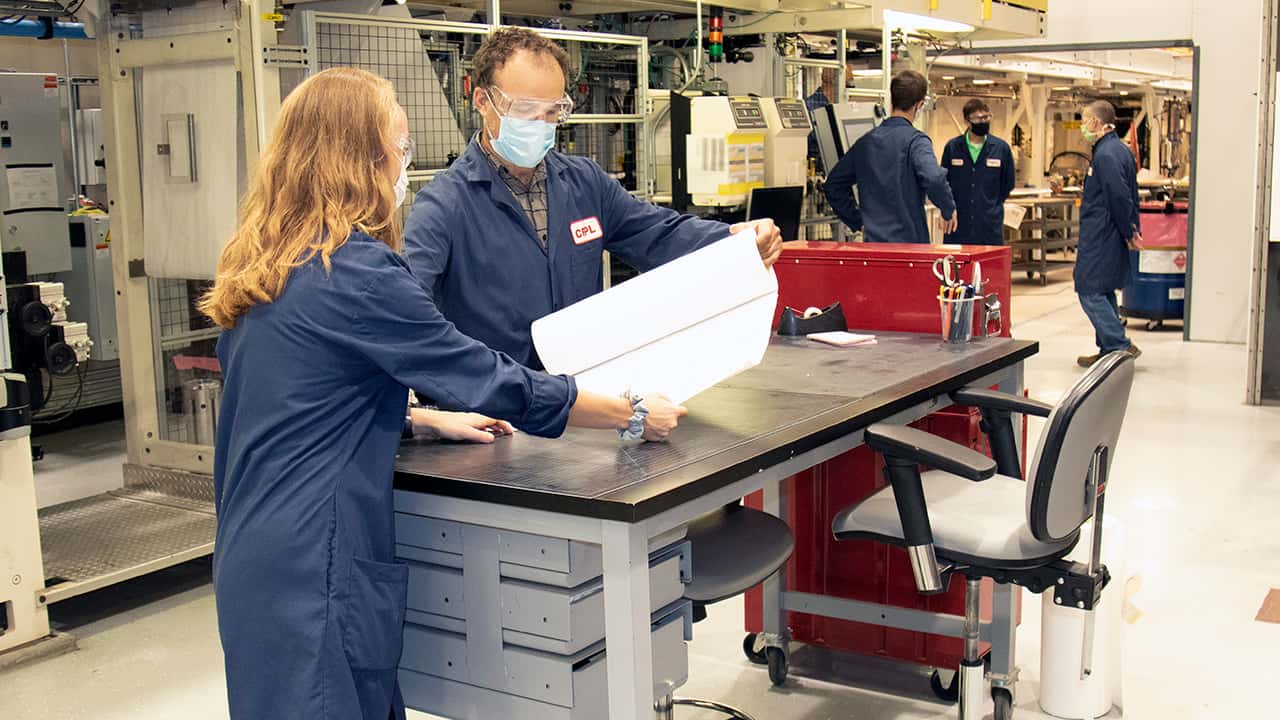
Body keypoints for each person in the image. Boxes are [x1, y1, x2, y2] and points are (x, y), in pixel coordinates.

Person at [201, 67, 687, 720]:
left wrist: (419, 420)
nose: (405, 165)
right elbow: (488, 377)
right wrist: (628, 412)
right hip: (319, 565)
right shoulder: (359, 272)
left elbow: (295, 398)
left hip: (255, 559)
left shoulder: (264, 264)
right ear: (359, 158)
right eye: (400, 148)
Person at [404, 27, 782, 370]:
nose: (540, 124)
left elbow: (659, 234)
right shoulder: (445, 205)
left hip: (581, 395)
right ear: (482, 101)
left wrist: (734, 239)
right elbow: (408, 309)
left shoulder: (584, 183)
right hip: (493, 404)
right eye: (525, 110)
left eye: (552, 111)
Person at [823, 70, 957, 244]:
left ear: (892, 99)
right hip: (910, 248)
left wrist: (858, 221)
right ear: (919, 105)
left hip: (874, 247)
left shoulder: (865, 142)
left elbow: (833, 185)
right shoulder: (917, 142)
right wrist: (948, 209)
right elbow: (934, 177)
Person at [1075, 99, 1142, 367]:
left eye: (1084, 121)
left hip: (1102, 234)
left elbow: (1119, 196)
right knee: (1102, 289)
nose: (1083, 127)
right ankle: (1108, 350)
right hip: (1107, 231)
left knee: (1088, 289)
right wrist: (1131, 227)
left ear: (1095, 122)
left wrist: (1129, 231)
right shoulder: (1117, 149)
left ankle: (1118, 345)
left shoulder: (1106, 155)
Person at [940, 98, 1016, 245]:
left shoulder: (1001, 149)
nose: (983, 122)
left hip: (989, 225)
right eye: (978, 118)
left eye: (986, 117)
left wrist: (989, 204)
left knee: (990, 260)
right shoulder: (953, 148)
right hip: (958, 225)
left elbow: (1008, 184)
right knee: (956, 260)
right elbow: (944, 182)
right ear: (967, 121)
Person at [805, 67, 837, 171]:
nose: (851, 90)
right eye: (849, 84)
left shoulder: (839, 107)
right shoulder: (810, 107)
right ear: (834, 82)